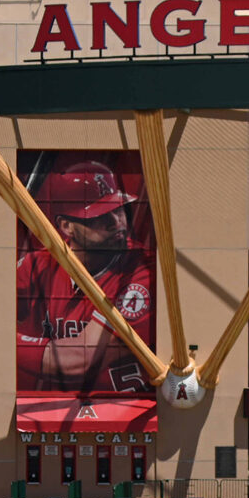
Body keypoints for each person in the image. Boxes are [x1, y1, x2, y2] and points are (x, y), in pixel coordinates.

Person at [16, 155, 156, 394]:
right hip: (57, 414)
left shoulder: (141, 270)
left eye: (119, 210)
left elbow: (80, 358)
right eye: (100, 216)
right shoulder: (37, 265)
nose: (116, 222)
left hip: (125, 412)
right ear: (66, 226)